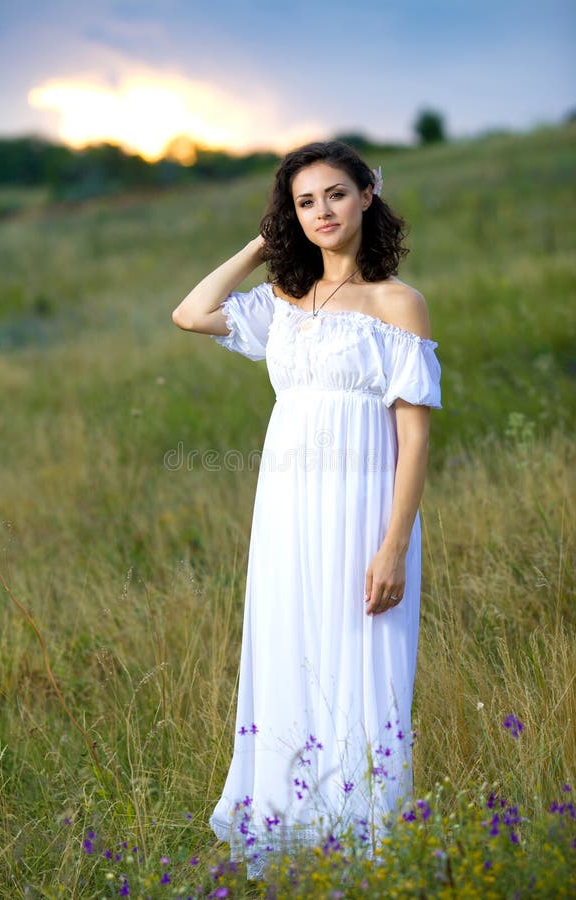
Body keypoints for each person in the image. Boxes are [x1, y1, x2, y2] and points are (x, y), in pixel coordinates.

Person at [172, 140, 442, 879]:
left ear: (367, 197)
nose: (322, 212)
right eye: (304, 202)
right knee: (290, 663)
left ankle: (377, 854)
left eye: (336, 194)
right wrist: (265, 244)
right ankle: (298, 845)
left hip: (364, 517)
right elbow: (189, 313)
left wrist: (393, 545)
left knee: (365, 674)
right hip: (288, 519)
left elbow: (414, 440)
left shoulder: (398, 303)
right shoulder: (281, 306)